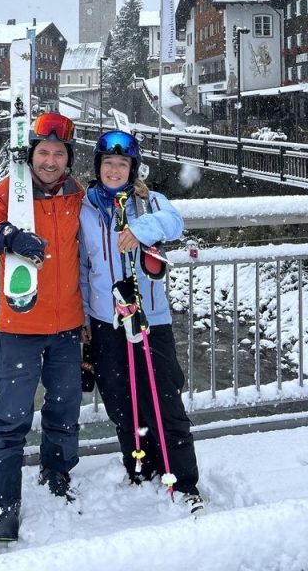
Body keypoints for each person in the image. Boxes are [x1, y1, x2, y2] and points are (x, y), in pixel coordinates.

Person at [0, 112, 84, 543]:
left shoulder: (78, 196)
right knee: (11, 418)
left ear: (67, 160)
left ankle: (57, 473)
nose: (50, 161)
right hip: (20, 323)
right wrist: (8, 236)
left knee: (63, 410)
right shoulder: (11, 193)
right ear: (31, 154)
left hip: (69, 323)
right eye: (43, 152)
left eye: (58, 153)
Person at [79, 129, 204, 514]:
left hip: (151, 319)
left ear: (132, 168)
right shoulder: (85, 208)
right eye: (107, 163)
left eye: (122, 164)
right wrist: (84, 319)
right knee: (121, 403)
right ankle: (142, 467)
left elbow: (175, 223)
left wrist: (138, 229)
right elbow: (84, 268)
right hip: (104, 322)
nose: (114, 170)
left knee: (164, 401)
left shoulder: (148, 202)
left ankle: (183, 481)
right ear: (98, 167)